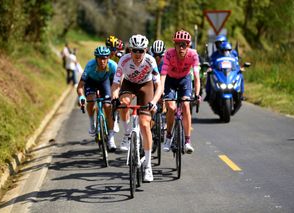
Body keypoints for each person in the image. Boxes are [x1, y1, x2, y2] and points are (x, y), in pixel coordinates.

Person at [111, 34, 162, 182]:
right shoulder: (124, 60)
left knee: (145, 124)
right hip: (129, 84)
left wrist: (154, 101)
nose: (138, 54)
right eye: (135, 51)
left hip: (146, 86)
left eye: (141, 51)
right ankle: (128, 134)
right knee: (124, 103)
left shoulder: (151, 61)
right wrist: (115, 97)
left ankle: (147, 166)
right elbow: (116, 84)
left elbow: (158, 86)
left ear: (146, 50)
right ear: (130, 50)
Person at [160, 30, 201, 154]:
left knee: (186, 105)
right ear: (175, 45)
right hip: (170, 80)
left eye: (184, 44)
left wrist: (197, 94)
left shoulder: (193, 55)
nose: (181, 47)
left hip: (184, 79)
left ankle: (187, 141)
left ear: (188, 45)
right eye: (178, 44)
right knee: (171, 108)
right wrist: (161, 92)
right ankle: (168, 137)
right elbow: (163, 76)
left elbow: (196, 76)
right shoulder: (169, 54)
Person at [77, 46, 118, 151]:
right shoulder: (90, 66)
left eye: (105, 58)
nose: (102, 61)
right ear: (96, 58)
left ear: (108, 58)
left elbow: (117, 83)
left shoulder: (113, 66)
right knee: (90, 101)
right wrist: (81, 96)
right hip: (91, 82)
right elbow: (80, 85)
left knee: (108, 106)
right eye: (100, 58)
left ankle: (111, 138)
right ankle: (92, 123)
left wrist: (115, 94)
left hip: (105, 82)